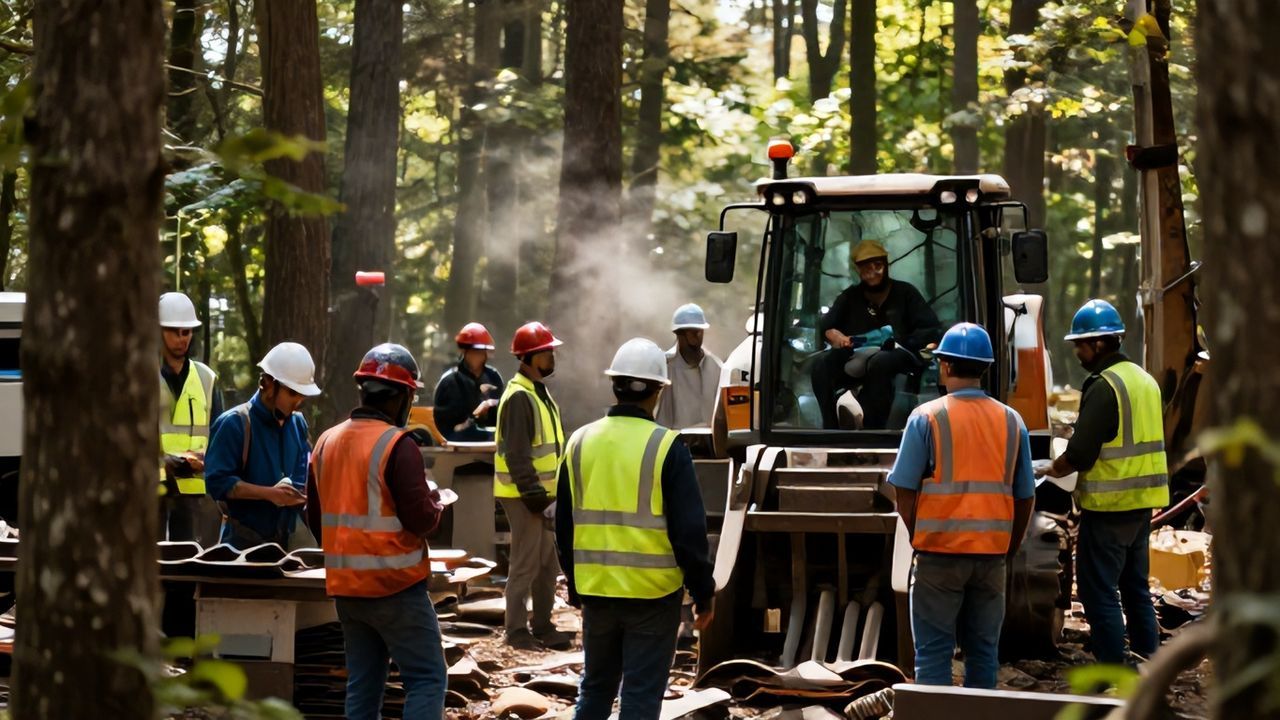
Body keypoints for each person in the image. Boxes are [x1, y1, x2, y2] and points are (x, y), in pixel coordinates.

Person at [555, 338, 715, 720]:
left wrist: (576, 585)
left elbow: (563, 526)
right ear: (658, 391)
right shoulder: (667, 447)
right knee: (641, 698)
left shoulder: (578, 442)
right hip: (652, 596)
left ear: (615, 385)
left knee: (594, 689)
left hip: (596, 591)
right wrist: (703, 593)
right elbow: (689, 533)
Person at [887, 323, 1035, 689]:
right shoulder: (1012, 421)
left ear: (946, 367)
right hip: (991, 559)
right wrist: (1009, 547)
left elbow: (903, 489)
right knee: (984, 652)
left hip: (938, 554)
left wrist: (918, 534)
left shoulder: (926, 417)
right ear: (984, 368)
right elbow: (1026, 495)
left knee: (934, 653)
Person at [306, 343, 447, 720]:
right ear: (401, 397)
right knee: (427, 678)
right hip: (396, 587)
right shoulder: (398, 446)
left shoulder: (325, 442)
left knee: (364, 685)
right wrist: (437, 506)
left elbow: (314, 515)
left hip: (348, 590)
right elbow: (421, 520)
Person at [1037, 299, 1168, 665]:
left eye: (1080, 344)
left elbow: (1080, 453)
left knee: (1098, 592)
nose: (1077, 351)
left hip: (1110, 508)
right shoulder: (1145, 380)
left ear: (1098, 343)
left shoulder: (1103, 385)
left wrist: (1049, 469)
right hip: (1142, 504)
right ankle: (1149, 661)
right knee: (1135, 588)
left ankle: (1115, 670)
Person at [494, 321, 572, 650]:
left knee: (546, 564)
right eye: (546, 352)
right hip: (523, 497)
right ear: (528, 357)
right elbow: (517, 456)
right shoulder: (519, 398)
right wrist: (538, 498)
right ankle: (515, 631)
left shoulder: (538, 393)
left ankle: (542, 625)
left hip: (541, 496)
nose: (552, 356)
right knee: (525, 564)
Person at [812, 239, 942, 429]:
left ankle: (874, 429)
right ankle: (831, 427)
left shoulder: (906, 293)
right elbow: (828, 328)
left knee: (880, 362)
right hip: (857, 355)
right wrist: (839, 338)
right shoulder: (849, 297)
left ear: (886, 265)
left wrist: (903, 341)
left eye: (878, 266)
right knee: (821, 365)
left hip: (901, 355)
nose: (872, 272)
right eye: (866, 268)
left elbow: (930, 330)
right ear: (857, 270)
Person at [205, 342, 321, 549]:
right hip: (242, 548)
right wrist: (270, 494)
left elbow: (303, 474)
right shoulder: (234, 423)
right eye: (293, 393)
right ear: (267, 383)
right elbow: (217, 482)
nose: (298, 401)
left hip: (289, 546)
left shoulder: (298, 424)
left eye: (302, 395)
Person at [158, 292, 224, 545]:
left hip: (194, 494)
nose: (181, 339)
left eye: (186, 332)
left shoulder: (207, 378)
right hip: (154, 491)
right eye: (174, 331)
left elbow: (219, 438)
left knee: (189, 566)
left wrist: (203, 460)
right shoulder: (140, 377)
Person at [655, 303, 723, 430]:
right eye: (692, 331)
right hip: (673, 442)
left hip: (708, 444)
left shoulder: (716, 367)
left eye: (699, 331)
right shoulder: (665, 366)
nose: (697, 335)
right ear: (679, 333)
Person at [432, 322, 504, 442]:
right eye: (473, 351)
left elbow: (503, 415)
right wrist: (469, 421)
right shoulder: (449, 382)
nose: (477, 356)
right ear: (464, 351)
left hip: (491, 446)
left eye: (480, 352)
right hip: (457, 448)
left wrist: (491, 406)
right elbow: (442, 424)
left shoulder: (494, 378)